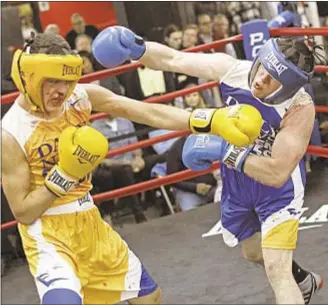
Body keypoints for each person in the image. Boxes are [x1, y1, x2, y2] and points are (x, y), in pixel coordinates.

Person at [1, 33, 261, 305]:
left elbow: (144, 112)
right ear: (27, 76)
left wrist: (209, 120)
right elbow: (23, 211)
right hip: (48, 233)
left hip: (90, 222)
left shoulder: (77, 98)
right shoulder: (11, 133)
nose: (61, 90)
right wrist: (65, 174)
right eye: (52, 80)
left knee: (150, 299)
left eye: (67, 80)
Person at [92, 27, 324, 304]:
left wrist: (224, 151)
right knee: (252, 253)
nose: (260, 79)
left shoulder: (299, 107)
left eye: (272, 79)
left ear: (288, 86)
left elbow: (276, 173)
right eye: (262, 68)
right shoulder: (235, 70)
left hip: (278, 191)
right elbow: (174, 60)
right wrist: (138, 48)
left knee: (277, 270)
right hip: (237, 183)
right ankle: (304, 281)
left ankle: (292, 281)